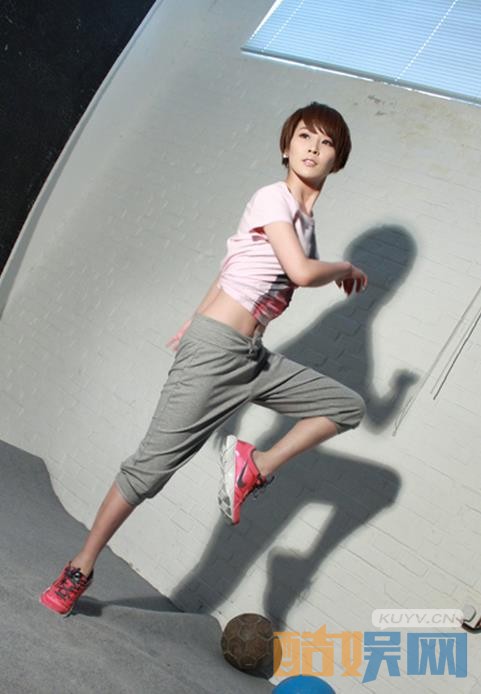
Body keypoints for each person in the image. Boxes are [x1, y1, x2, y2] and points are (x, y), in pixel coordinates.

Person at [40, 102, 368, 616]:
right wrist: (344, 267)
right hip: (217, 351)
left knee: (346, 406)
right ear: (286, 146)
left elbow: (233, 260)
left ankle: (255, 465)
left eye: (326, 143)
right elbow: (301, 274)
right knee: (149, 471)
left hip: (252, 359)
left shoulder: (306, 224)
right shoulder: (273, 197)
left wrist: (194, 314)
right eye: (305, 136)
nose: (313, 148)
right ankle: (81, 565)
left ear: (337, 160)